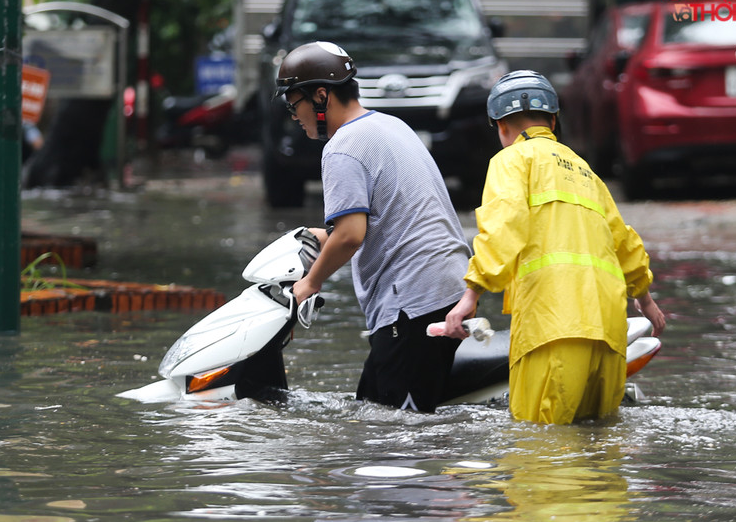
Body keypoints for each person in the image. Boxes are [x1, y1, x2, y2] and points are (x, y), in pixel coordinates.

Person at [442, 70, 666, 425]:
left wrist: (471, 294)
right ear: (554, 120)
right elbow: (623, 240)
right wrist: (645, 298)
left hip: (553, 328)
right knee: (601, 454)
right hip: (608, 333)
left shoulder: (510, 160)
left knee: (543, 454)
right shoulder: (585, 171)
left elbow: (504, 226)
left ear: (500, 127)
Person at [276, 41, 471, 413]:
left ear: (321, 96)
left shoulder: (342, 147)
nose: (293, 114)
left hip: (411, 303)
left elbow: (351, 235)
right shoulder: (388, 125)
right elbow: (386, 215)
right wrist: (321, 237)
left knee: (401, 441)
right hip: (447, 287)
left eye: (294, 103)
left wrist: (310, 283)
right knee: (371, 414)